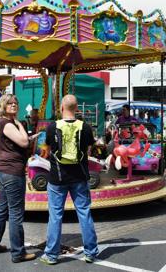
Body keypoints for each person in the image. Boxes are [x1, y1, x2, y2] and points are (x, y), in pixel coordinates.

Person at [40, 94, 98, 265]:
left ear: (61, 108)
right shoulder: (85, 127)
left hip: (57, 178)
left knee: (55, 215)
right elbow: (88, 151)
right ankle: (91, 253)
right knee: (84, 212)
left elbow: (47, 149)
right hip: (79, 176)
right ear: (77, 108)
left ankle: (51, 255)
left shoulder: (52, 127)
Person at [0, 94, 36, 263]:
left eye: (16, 103)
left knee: (2, 209)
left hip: (5, 169)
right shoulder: (7, 123)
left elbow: (20, 141)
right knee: (15, 213)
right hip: (12, 171)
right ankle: (18, 253)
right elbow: (23, 143)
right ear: (3, 106)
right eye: (10, 103)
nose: (14, 105)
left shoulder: (5, 123)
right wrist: (21, 125)